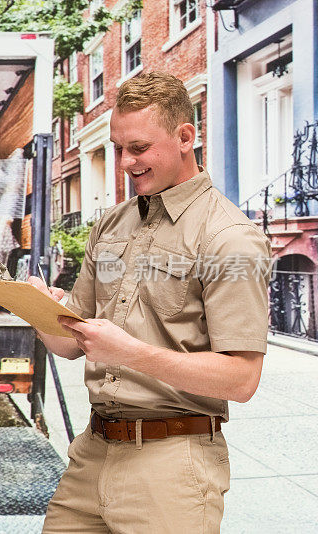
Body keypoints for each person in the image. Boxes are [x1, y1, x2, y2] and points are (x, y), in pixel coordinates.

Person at [29, 72, 272, 533]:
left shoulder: (229, 238)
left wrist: (129, 352)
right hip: (92, 453)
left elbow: (242, 379)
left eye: (138, 148)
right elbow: (71, 343)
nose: (124, 162)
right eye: (119, 148)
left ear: (186, 137)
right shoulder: (111, 225)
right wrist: (36, 308)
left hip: (172, 464)